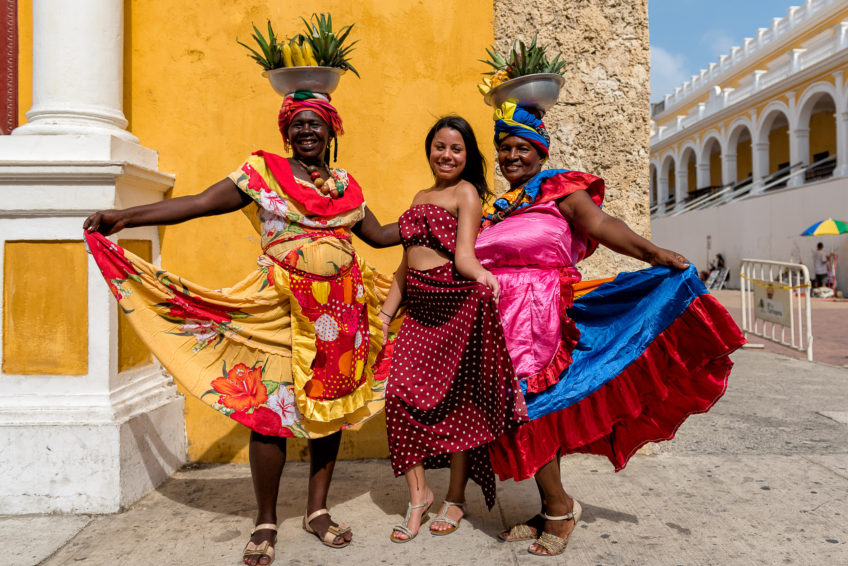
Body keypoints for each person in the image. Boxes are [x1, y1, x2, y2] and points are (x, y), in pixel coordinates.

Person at [83, 92, 400, 565]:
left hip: (340, 316)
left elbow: (377, 235)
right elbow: (200, 203)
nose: (307, 132)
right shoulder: (263, 172)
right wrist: (123, 216)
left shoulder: (345, 185)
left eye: (316, 124)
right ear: (286, 132)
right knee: (269, 411)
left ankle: (317, 511)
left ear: (333, 131)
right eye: (298, 125)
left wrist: (434, 214)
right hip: (280, 310)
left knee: (329, 412)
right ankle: (266, 520)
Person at [474, 101, 745, 556]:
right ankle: (549, 505)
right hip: (500, 322)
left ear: (541, 152)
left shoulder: (559, 189)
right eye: (504, 149)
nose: (512, 157)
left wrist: (653, 254)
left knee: (531, 410)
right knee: (520, 412)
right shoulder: (499, 207)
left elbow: (600, 223)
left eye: (522, 148)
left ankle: (560, 508)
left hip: (542, 319)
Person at [378, 116, 526, 542]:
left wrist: (482, 276)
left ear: (467, 156)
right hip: (420, 313)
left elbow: (464, 255)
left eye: (456, 149)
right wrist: (387, 317)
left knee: (460, 406)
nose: (447, 155)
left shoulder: (466, 193)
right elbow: (405, 265)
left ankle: (456, 497)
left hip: (456, 303)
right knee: (399, 399)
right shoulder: (420, 195)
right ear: (430, 149)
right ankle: (419, 495)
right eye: (440, 146)